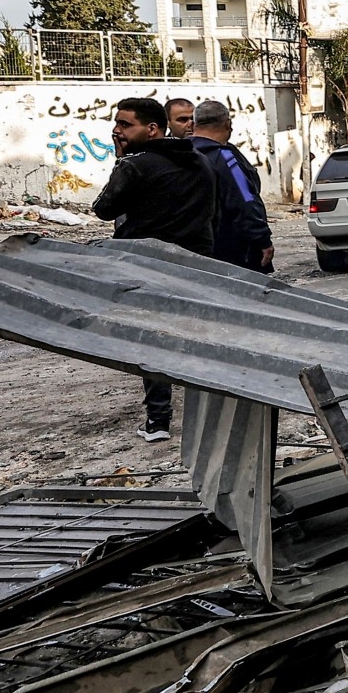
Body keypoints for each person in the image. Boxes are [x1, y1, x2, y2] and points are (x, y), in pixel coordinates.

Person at [90, 96, 217, 442]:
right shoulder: (198, 161)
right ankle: (210, 417)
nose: (117, 131)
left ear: (152, 129)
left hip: (150, 268)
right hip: (198, 266)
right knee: (200, 338)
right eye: (116, 124)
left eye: (125, 125)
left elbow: (102, 208)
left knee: (154, 341)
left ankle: (158, 421)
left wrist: (121, 162)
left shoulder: (135, 166)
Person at [188, 100, 274, 273]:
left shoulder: (180, 154)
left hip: (191, 249)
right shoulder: (225, 158)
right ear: (228, 123)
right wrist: (262, 239)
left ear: (192, 124)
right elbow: (244, 199)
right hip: (232, 250)